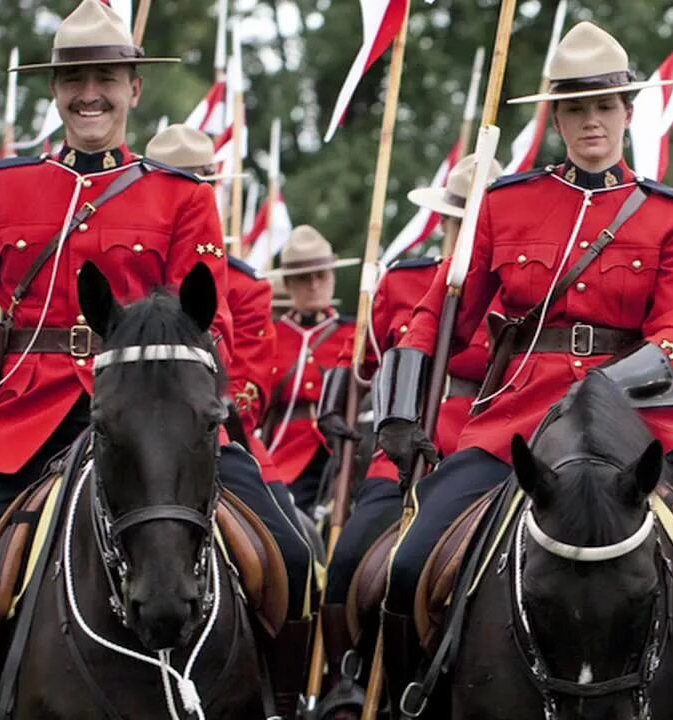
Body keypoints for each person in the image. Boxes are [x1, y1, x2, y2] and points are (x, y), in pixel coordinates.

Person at [373, 21, 673, 717]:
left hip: (643, 424)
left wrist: (603, 394)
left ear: (628, 112)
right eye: (574, 108)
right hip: (519, 423)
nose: (591, 121)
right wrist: (398, 407)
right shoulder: (504, 204)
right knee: (409, 564)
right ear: (556, 119)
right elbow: (438, 316)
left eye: (604, 106)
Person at [0, 0, 233, 540]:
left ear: (134, 90)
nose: (89, 93)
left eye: (107, 78)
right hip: (26, 415)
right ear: (55, 91)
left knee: (283, 553)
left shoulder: (183, 197)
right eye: (73, 78)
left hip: (157, 417)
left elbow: (210, 324)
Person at [312, 154, 503, 715]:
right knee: (347, 560)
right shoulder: (402, 282)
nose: (465, 233)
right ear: (443, 222)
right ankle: (345, 681)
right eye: (458, 221)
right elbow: (366, 363)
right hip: (405, 451)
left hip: (488, 444)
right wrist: (337, 403)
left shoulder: (519, 286)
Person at [144, 122, 317, 716]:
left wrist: (200, 409)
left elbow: (249, 386)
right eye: (176, 180)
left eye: (201, 181)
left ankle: (283, 697)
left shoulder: (244, 284)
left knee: (295, 557)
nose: (190, 192)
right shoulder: (127, 255)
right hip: (126, 429)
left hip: (214, 434)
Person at [263, 226, 358, 512]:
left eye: (321, 276)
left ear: (332, 277)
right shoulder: (271, 336)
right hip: (288, 452)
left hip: (346, 447)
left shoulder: (355, 333)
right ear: (288, 284)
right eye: (304, 278)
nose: (315, 285)